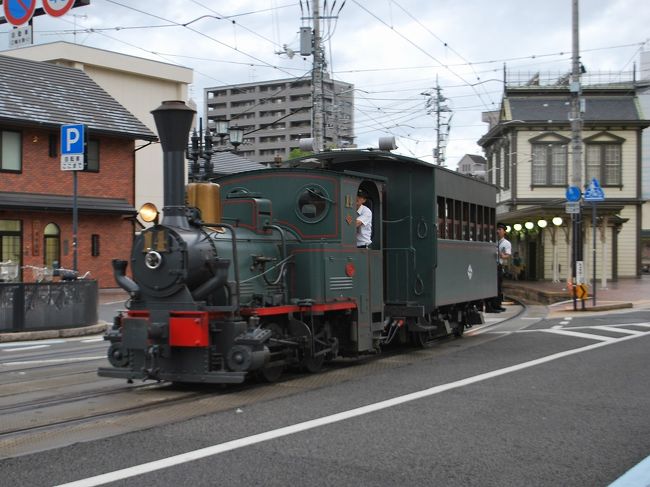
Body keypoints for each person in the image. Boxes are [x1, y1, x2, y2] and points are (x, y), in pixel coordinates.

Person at [487, 222, 511, 312]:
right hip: (489, 266)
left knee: (498, 286)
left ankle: (497, 305)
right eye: (497, 229)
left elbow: (507, 255)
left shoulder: (506, 243)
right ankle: (491, 305)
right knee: (491, 286)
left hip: (498, 266)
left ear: (504, 232)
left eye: (500, 230)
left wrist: (500, 254)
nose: (498, 231)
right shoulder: (492, 241)